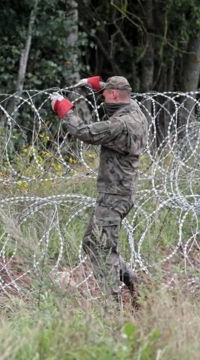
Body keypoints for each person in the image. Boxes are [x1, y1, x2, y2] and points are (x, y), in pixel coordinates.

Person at [50, 76, 148, 303]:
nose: (103, 96)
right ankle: (131, 280)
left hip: (115, 195)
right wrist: (97, 85)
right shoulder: (134, 109)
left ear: (114, 95)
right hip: (119, 192)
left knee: (101, 248)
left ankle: (113, 304)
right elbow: (115, 93)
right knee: (93, 242)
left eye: (106, 93)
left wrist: (64, 109)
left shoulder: (120, 124)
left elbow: (86, 132)